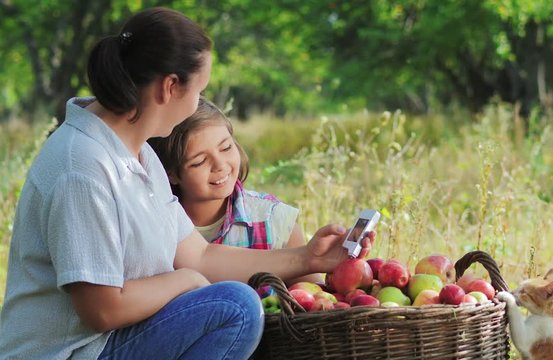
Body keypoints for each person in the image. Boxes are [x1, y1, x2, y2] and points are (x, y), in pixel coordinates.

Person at [0, 7, 372, 360]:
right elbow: (102, 309)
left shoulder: (138, 155)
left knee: (233, 302)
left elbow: (199, 255)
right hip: (74, 352)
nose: (197, 105)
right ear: (169, 87)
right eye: (198, 91)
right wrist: (186, 281)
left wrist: (309, 257)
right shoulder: (82, 167)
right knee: (235, 308)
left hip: (111, 341)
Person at [148, 97, 322, 284]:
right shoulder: (158, 230)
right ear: (170, 173)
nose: (220, 165)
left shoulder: (275, 220)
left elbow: (313, 296)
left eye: (226, 147)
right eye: (199, 162)